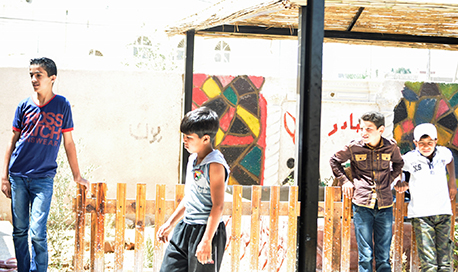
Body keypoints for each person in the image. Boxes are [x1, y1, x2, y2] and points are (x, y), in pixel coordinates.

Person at [1, 57, 89, 272]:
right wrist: (4, 177)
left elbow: (69, 143)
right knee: (19, 231)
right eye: (31, 75)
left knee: (37, 232)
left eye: (38, 74)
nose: (33, 79)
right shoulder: (23, 106)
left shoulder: (62, 105)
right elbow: (12, 142)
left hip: (43, 179)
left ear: (52, 78)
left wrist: (77, 175)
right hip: (18, 176)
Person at [156, 106, 230, 272]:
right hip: (186, 227)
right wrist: (170, 223)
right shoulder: (192, 159)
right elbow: (190, 196)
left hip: (206, 231)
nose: (185, 140)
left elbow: (218, 205)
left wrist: (206, 241)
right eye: (184, 136)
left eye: (189, 137)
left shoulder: (215, 165)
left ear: (205, 139)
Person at [329, 111, 404, 272]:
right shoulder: (354, 147)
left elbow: (398, 163)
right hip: (362, 205)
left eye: (369, 129)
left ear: (381, 129)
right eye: (361, 128)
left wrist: (389, 180)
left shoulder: (391, 146)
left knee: (383, 256)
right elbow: (334, 160)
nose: (364, 132)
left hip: (385, 206)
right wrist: (345, 181)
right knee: (366, 255)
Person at [395, 123, 457, 271]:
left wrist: (452, 181)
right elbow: (398, 165)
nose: (426, 146)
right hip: (422, 215)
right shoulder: (410, 158)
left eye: (430, 143)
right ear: (415, 143)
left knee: (445, 261)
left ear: (436, 141)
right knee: (429, 262)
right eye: (421, 143)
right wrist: (400, 181)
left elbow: (450, 160)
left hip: (443, 212)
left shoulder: (443, 153)